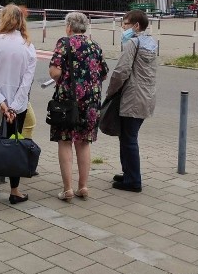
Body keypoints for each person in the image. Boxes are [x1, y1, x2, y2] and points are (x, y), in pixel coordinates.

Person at [48, 11, 108, 200]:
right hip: (91, 102)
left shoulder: (64, 43)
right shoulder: (95, 45)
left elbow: (54, 72)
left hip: (68, 103)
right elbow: (103, 72)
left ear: (68, 27)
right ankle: (83, 187)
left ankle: (67, 190)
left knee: (65, 141)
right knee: (83, 143)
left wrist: (64, 78)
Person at [0, 4, 35, 204]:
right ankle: (15, 190)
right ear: (21, 21)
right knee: (14, 142)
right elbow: (27, 82)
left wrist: (0, 102)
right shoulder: (28, 46)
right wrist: (13, 105)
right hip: (17, 104)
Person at [105, 10, 158, 192]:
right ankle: (129, 173)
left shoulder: (133, 43)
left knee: (128, 139)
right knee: (128, 137)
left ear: (136, 26)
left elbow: (121, 72)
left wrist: (110, 92)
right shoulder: (150, 42)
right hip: (147, 97)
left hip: (132, 97)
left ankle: (133, 181)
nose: (123, 27)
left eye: (126, 24)